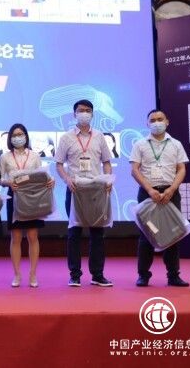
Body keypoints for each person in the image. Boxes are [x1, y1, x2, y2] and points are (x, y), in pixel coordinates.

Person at [55, 99, 113, 287]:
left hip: (96, 190)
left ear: (92, 114)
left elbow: (106, 162)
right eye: (81, 110)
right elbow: (59, 164)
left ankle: (97, 275)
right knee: (74, 233)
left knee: (97, 233)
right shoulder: (66, 138)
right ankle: (75, 275)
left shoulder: (99, 136)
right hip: (75, 190)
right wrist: (67, 179)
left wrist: (108, 179)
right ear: (74, 114)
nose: (84, 113)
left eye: (88, 110)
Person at [130, 109, 189, 287]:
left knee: (173, 235)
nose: (157, 123)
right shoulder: (140, 144)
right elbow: (134, 170)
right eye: (153, 120)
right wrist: (149, 189)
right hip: (147, 193)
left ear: (167, 121)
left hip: (171, 193)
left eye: (160, 119)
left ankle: (173, 276)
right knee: (146, 235)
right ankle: (143, 275)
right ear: (147, 124)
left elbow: (181, 169)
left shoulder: (176, 144)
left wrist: (172, 189)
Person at [0, 123, 54, 288]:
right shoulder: (5, 157)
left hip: (33, 197)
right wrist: (9, 183)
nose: (18, 137)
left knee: (32, 236)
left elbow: (42, 176)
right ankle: (17, 274)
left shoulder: (34, 155)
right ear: (10, 138)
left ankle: (33, 274)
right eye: (15, 135)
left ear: (26, 136)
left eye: (21, 134)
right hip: (14, 197)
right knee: (16, 237)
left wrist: (50, 180)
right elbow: (0, 179)